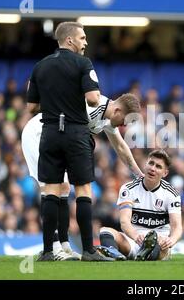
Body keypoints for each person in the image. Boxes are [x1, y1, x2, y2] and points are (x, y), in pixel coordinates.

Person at [21, 93, 143, 260]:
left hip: (56, 141)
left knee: (63, 187)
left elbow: (121, 147)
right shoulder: (90, 103)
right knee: (51, 188)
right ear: (118, 110)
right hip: (39, 134)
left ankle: (64, 246)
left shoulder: (106, 118)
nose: (123, 125)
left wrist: (138, 173)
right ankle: (53, 246)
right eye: (124, 121)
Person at [26, 21, 106, 261]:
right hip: (75, 132)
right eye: (82, 38)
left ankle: (48, 251)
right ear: (70, 40)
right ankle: (89, 251)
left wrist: (54, 101)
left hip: (49, 133)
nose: (86, 42)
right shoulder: (83, 63)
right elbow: (93, 99)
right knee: (82, 189)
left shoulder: (40, 66)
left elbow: (31, 106)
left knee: (50, 190)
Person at [97, 149, 182, 261]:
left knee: (159, 243)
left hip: (158, 241)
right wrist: (136, 236)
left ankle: (147, 253)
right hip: (133, 239)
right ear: (145, 164)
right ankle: (114, 253)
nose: (152, 168)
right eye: (151, 163)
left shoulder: (172, 194)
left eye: (158, 166)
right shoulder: (128, 189)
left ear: (165, 173)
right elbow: (124, 222)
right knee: (105, 231)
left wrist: (171, 240)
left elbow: (177, 227)